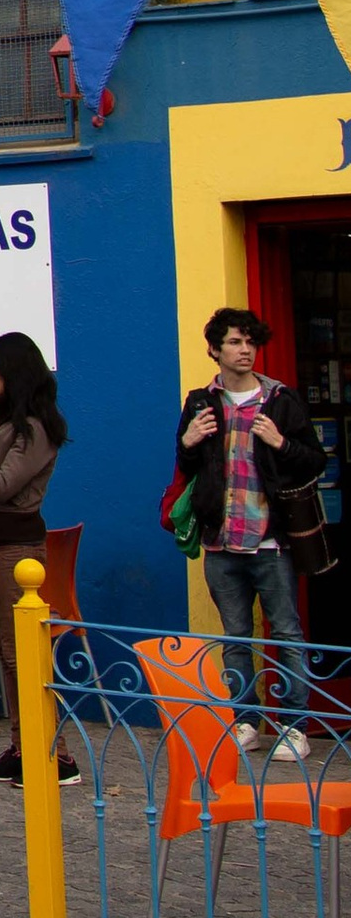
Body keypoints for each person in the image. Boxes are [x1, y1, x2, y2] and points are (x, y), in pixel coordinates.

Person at [175, 307, 323, 762]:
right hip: (222, 540)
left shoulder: (280, 400)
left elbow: (313, 460)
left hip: (270, 539)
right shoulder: (201, 402)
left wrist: (281, 442)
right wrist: (187, 443)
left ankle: (294, 726)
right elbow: (185, 468)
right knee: (236, 635)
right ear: (215, 350)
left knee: (287, 632)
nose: (245, 350)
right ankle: (245, 721)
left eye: (250, 342)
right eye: (235, 342)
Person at [0, 330, 72, 786]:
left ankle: (56, 756)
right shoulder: (8, 425)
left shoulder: (36, 428)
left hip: (15, 551)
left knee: (24, 653)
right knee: (7, 652)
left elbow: (2, 485)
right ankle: (23, 746)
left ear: (11, 372)